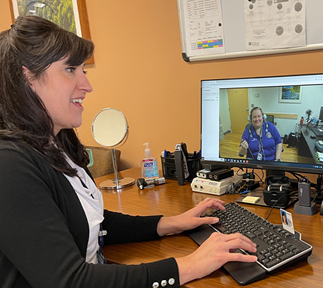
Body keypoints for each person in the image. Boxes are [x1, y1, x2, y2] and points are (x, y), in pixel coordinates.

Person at [0, 16, 257, 288]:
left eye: (83, 70)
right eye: (71, 69)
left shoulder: (57, 143)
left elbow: (94, 223)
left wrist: (171, 223)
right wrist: (191, 264)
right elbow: (70, 282)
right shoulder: (9, 165)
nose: (87, 85)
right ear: (29, 78)